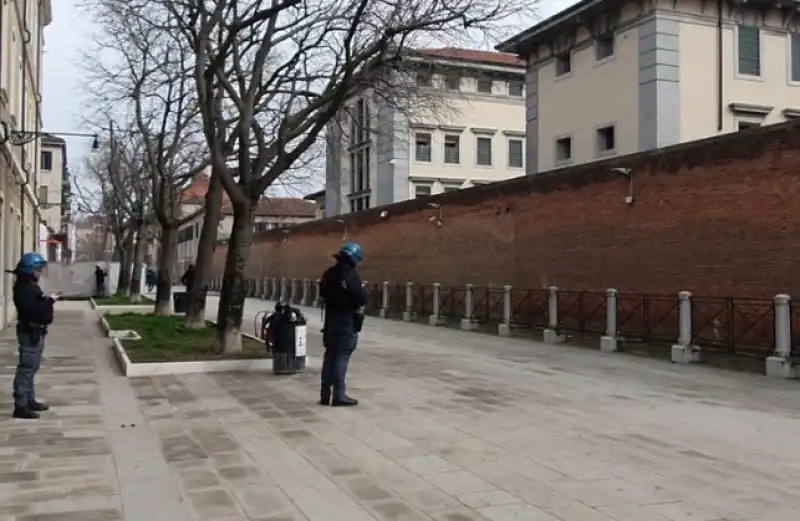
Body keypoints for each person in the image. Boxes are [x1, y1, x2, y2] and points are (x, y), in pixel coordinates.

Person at [10, 252, 58, 419]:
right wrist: (49, 301)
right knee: (26, 369)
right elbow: (34, 310)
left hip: (35, 331)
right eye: (38, 269)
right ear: (30, 269)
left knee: (32, 368)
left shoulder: (28, 286)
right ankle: (21, 405)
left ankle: (29, 399)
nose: (40, 273)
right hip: (30, 332)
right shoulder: (25, 289)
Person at [319, 241, 367, 407]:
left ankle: (325, 394)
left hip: (330, 320)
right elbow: (361, 298)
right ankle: (339, 395)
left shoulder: (328, 274)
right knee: (342, 356)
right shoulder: (351, 275)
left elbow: (322, 293)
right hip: (347, 320)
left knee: (330, 355)